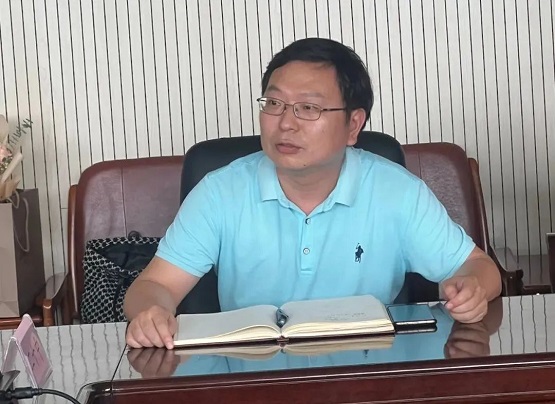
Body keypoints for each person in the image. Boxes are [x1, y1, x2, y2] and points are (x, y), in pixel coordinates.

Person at [124, 37, 502, 349]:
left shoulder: (397, 192)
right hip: (251, 378)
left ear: (353, 125)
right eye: (274, 104)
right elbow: (153, 286)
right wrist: (152, 313)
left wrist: (472, 289)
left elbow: (481, 268)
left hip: (367, 377)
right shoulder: (219, 192)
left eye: (308, 107)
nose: (286, 123)